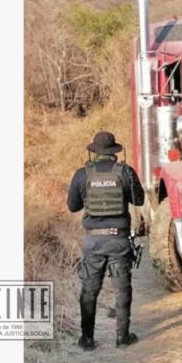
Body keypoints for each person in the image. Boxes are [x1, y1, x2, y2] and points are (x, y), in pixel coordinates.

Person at [67, 131, 145, 351]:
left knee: (89, 290)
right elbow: (139, 200)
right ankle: (122, 337)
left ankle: (87, 340)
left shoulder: (82, 174)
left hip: (93, 243)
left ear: (94, 152)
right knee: (122, 289)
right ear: (114, 152)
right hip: (118, 241)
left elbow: (73, 206)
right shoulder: (125, 172)